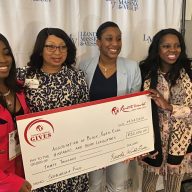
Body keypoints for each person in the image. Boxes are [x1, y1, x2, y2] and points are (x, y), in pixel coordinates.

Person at [17, 28, 89, 191]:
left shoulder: (77, 76)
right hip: (39, 156)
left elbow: (86, 113)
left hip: (71, 152)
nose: (57, 52)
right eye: (51, 47)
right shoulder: (24, 76)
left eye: (63, 47)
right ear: (40, 50)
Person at [79, 21, 141, 192]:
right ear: (98, 42)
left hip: (120, 137)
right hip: (91, 138)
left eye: (119, 39)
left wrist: (132, 142)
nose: (115, 44)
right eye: (109, 39)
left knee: (118, 186)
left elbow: (135, 107)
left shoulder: (132, 67)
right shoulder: (84, 66)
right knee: (93, 185)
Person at [139, 28, 192, 192]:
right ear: (157, 48)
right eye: (166, 46)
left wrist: (169, 107)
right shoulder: (145, 71)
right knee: (148, 187)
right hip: (153, 138)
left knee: (173, 188)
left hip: (180, 141)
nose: (172, 50)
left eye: (177, 46)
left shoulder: (189, 71)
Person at [0, 33, 32, 192]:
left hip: (24, 170)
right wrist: (10, 183)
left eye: (6, 53)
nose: (3, 60)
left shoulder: (19, 89)